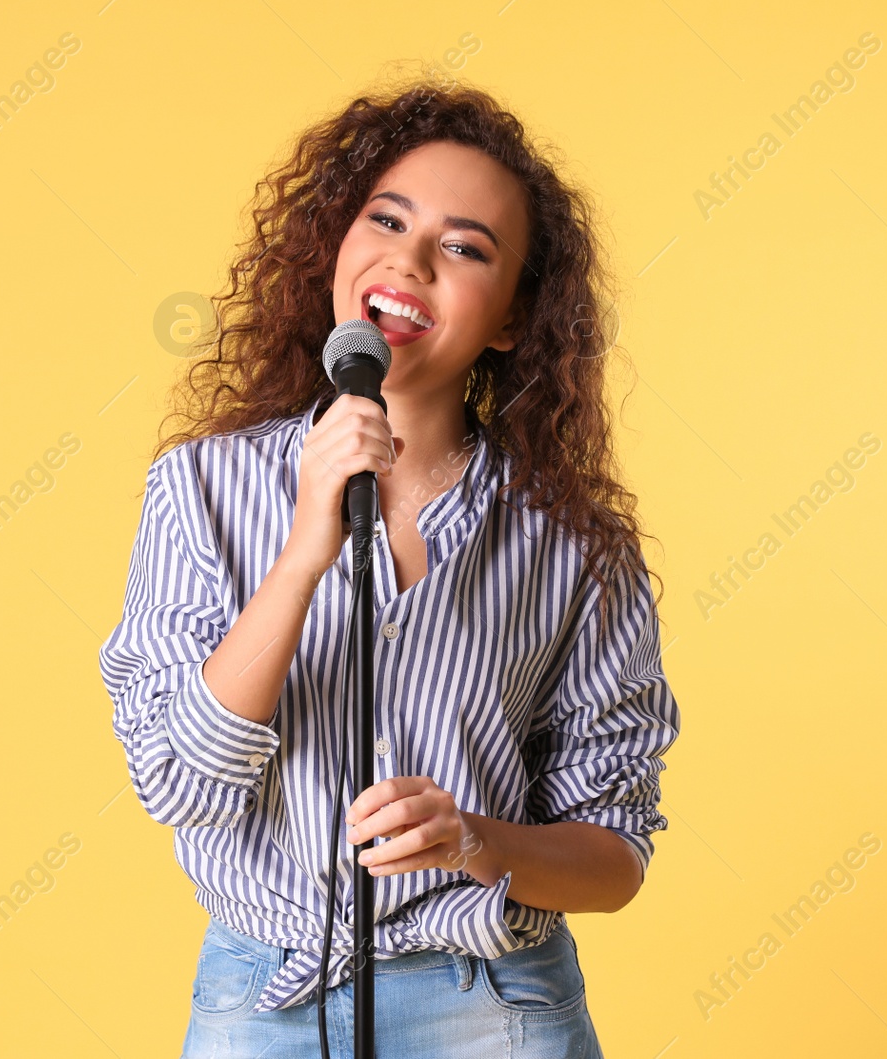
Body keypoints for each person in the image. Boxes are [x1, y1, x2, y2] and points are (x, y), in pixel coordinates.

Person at [100, 74, 680, 1058]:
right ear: (335, 246)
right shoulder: (200, 489)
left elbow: (614, 857)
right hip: (265, 999)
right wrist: (303, 554)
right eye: (387, 220)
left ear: (507, 317)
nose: (410, 260)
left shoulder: (571, 545)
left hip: (492, 999)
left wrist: (476, 840)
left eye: (464, 247)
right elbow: (179, 783)